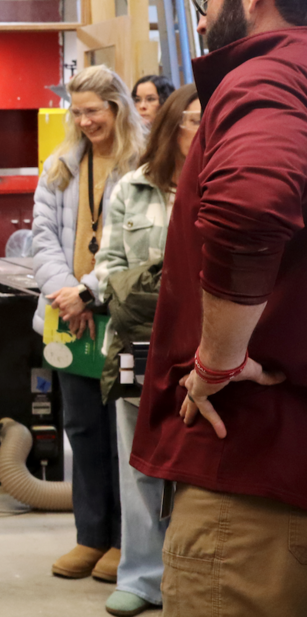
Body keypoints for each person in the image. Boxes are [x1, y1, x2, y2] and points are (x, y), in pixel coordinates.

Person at [130, 0, 307, 614]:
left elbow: (253, 199)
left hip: (253, 480)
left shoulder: (267, 74)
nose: (200, 18)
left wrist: (218, 358)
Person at [31, 64, 145, 583]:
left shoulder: (142, 165)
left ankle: (126, 541)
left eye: (92, 111)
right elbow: (42, 237)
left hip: (118, 316)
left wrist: (87, 292)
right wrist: (64, 293)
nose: (83, 121)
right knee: (81, 429)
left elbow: (133, 247)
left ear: (116, 108)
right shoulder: (60, 166)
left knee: (123, 431)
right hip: (69, 320)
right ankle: (90, 536)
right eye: (76, 112)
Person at [93, 85, 200, 617]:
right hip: (136, 341)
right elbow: (108, 261)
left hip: (202, 347)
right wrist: (132, 289)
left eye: (208, 121)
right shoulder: (131, 190)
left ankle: (192, 574)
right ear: (170, 126)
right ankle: (141, 576)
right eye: (191, 121)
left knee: (197, 463)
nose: (200, 131)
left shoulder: (220, 185)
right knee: (139, 462)